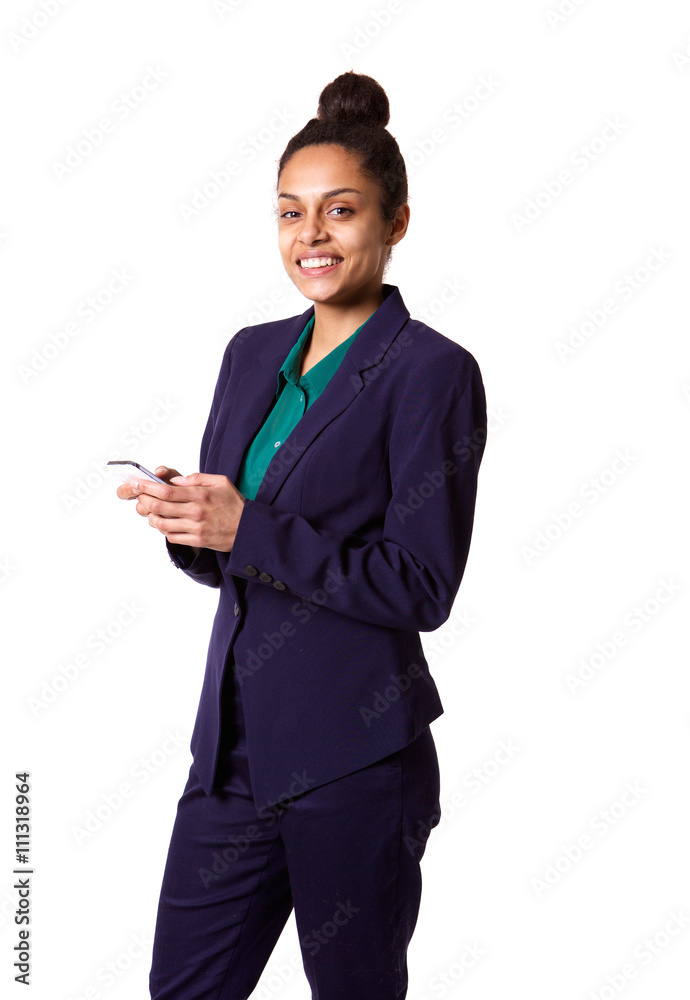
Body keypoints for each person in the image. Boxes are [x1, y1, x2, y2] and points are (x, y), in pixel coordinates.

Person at [116, 69, 487, 1000]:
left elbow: (420, 585)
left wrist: (250, 528)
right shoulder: (250, 354)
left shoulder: (431, 373)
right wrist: (191, 523)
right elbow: (235, 556)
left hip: (355, 759)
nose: (310, 235)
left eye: (340, 211)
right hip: (232, 756)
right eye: (290, 213)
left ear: (396, 223)